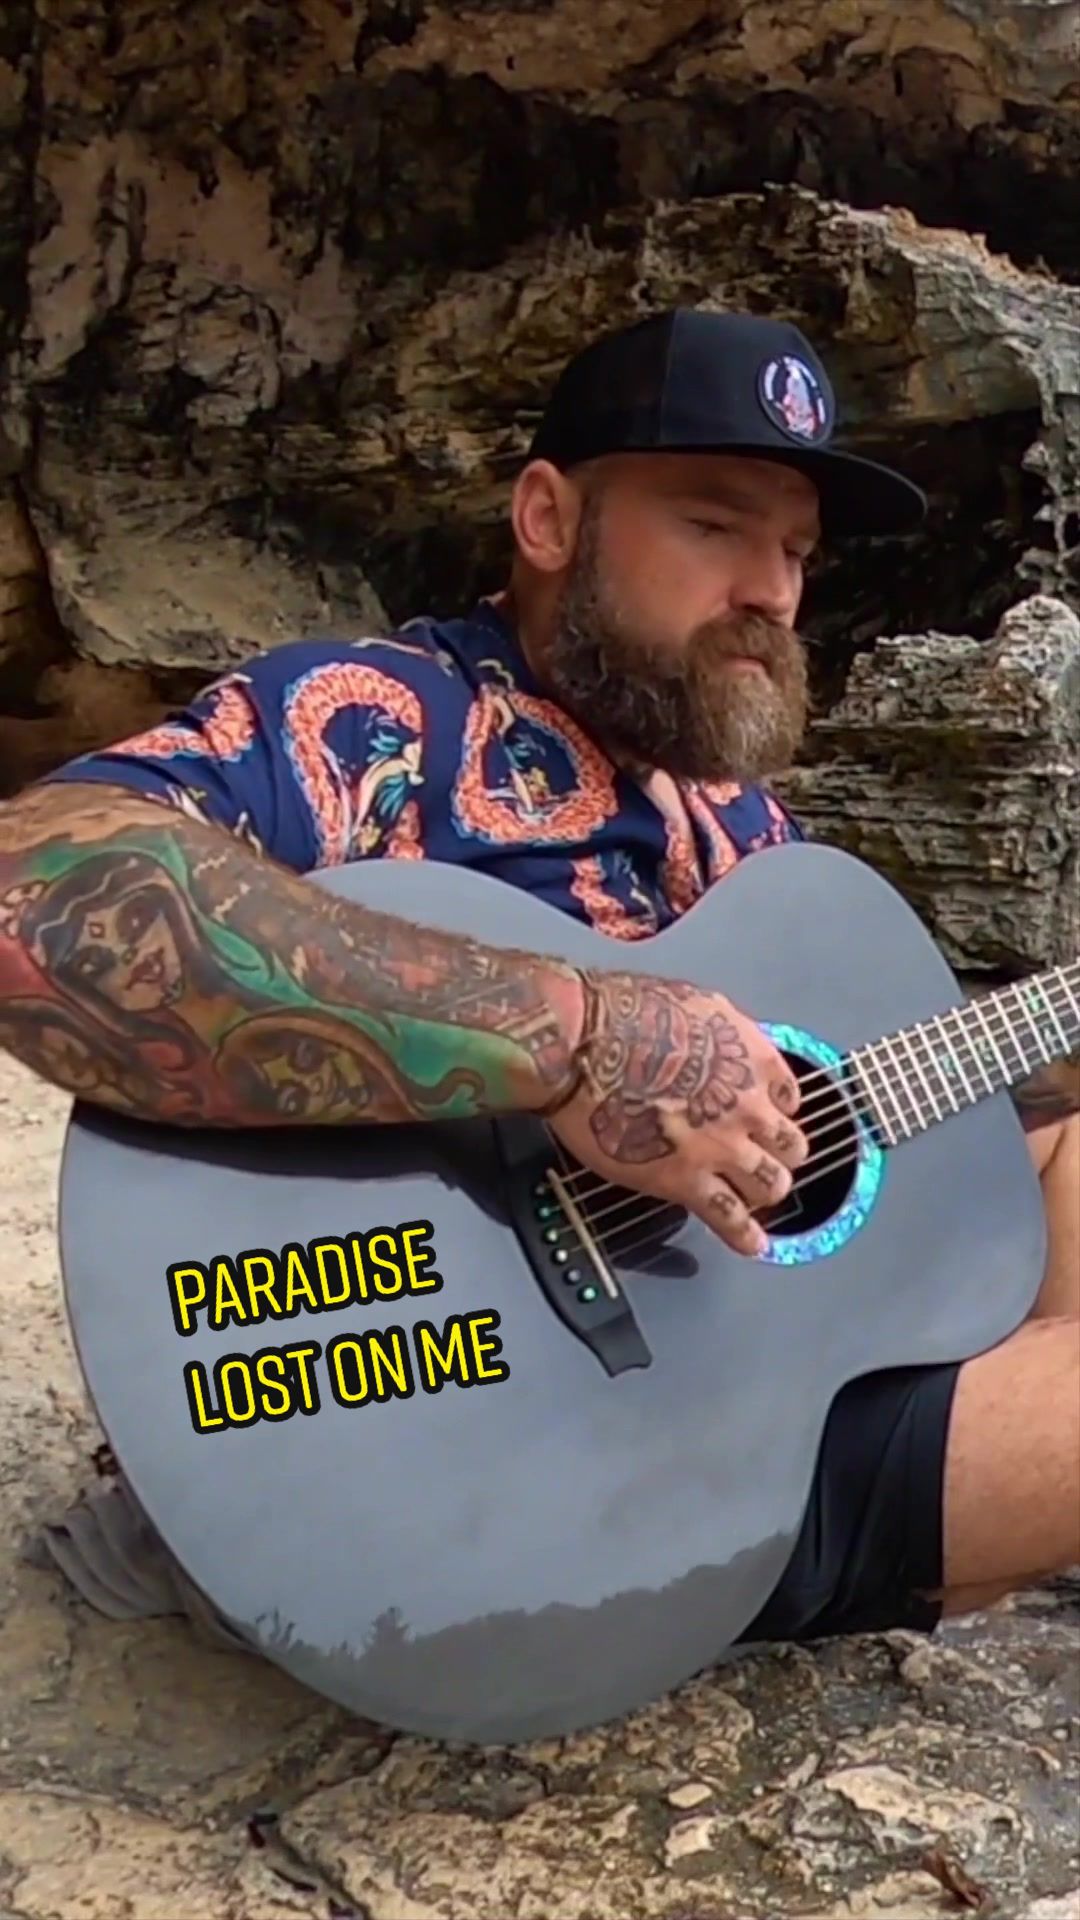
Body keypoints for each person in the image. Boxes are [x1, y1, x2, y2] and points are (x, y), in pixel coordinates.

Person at [0, 308, 1076, 1653]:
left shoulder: (745, 830)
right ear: (550, 518)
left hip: (732, 1398)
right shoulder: (376, 722)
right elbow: (34, 892)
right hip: (474, 1455)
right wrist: (576, 1039)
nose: (772, 590)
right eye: (715, 524)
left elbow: (860, 1117)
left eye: (797, 550)